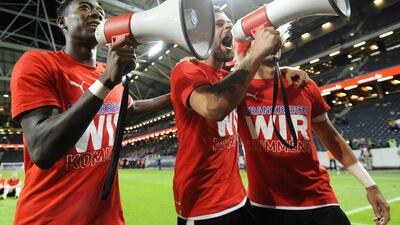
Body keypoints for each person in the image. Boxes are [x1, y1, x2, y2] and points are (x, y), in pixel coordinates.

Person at [10, 0, 170, 224]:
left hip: (107, 218)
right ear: (62, 22)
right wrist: (105, 82)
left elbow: (129, 108)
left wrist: (175, 95)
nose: (96, 12)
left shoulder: (108, 72)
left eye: (101, 11)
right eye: (85, 7)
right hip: (47, 217)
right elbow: (41, 150)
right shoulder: (39, 63)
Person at [235, 39, 390, 225]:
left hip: (319, 200)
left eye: (274, 36)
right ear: (245, 48)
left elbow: (332, 138)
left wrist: (370, 184)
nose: (270, 41)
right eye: (261, 37)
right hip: (265, 206)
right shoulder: (237, 92)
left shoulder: (303, 85)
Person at [170, 5, 295, 224]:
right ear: (201, 37)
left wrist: (285, 71)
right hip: (203, 206)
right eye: (219, 25)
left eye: (229, 24)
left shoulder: (229, 77)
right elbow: (214, 107)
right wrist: (256, 52)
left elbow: (256, 79)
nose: (228, 27)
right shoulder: (186, 69)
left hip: (237, 198)